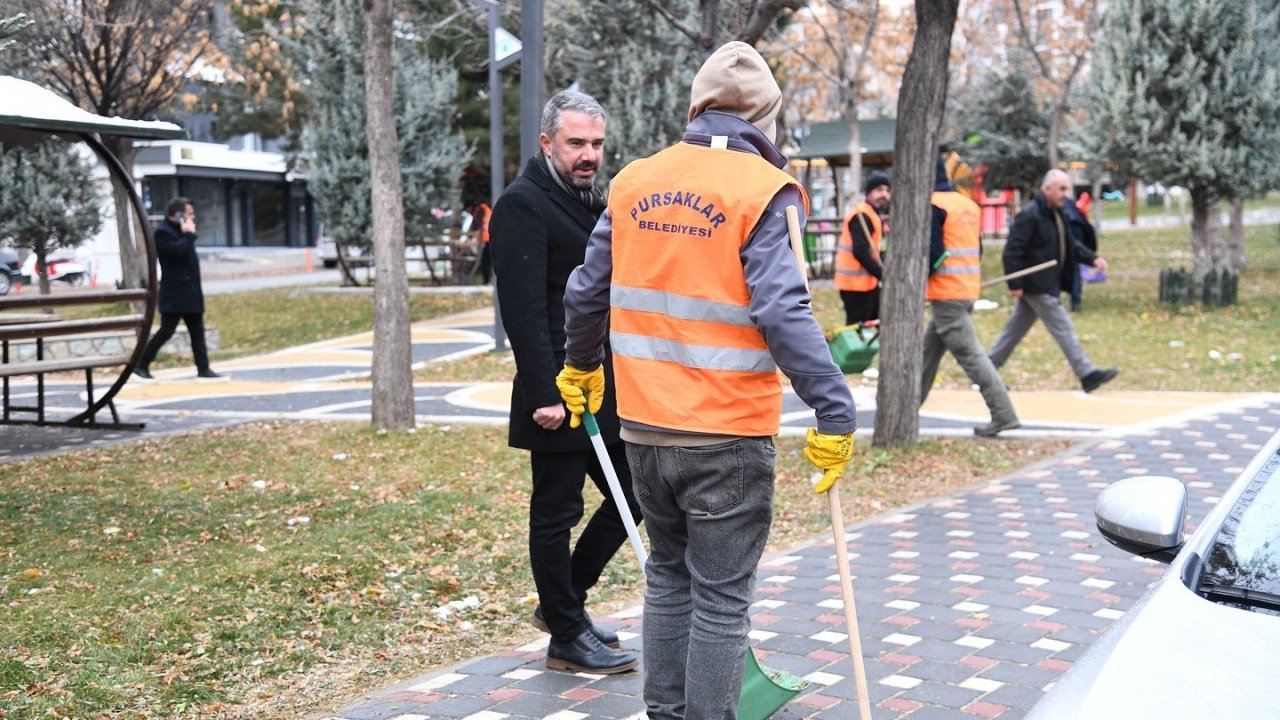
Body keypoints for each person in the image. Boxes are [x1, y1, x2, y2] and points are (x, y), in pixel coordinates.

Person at [555, 42, 857, 719]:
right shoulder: (763, 190)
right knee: (720, 596)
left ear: (695, 108)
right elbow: (783, 309)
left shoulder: (634, 180)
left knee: (667, 577)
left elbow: (585, 293)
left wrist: (580, 365)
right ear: (767, 118)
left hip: (646, 429)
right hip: (725, 433)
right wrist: (833, 410)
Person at [488, 90, 642, 675]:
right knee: (556, 509)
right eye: (577, 143)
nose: (589, 154)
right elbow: (523, 311)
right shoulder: (524, 204)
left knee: (634, 492)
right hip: (556, 386)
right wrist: (544, 395)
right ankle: (565, 633)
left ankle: (563, 606)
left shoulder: (584, 199)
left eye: (597, 144)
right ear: (547, 142)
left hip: (596, 383)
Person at [988, 170, 1118, 393]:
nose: (1066, 194)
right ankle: (1086, 374)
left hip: (1048, 282)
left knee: (1013, 332)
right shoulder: (1030, 215)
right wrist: (1016, 284)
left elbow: (1071, 244)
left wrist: (1092, 258)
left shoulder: (1058, 214)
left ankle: (985, 372)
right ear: (1047, 189)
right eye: (1062, 189)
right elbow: (1012, 251)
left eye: (1067, 189)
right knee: (1063, 328)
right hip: (1036, 284)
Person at [920, 157, 1019, 437]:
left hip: (946, 293)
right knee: (927, 355)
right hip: (965, 289)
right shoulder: (967, 205)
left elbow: (934, 253)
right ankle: (908, 407)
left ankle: (1004, 414)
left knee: (972, 357)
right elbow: (978, 249)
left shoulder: (933, 204)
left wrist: (916, 281)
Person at [133, 197, 222, 381]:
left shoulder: (182, 232)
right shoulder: (163, 232)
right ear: (178, 214)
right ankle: (141, 365)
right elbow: (175, 252)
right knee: (166, 330)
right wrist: (188, 235)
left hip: (191, 293)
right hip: (175, 293)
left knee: (197, 331)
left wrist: (187, 234)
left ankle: (203, 368)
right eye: (189, 214)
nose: (192, 217)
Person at [834, 171, 890, 325]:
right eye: (879, 190)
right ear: (869, 192)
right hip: (854, 285)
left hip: (867, 284)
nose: (884, 194)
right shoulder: (862, 215)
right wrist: (883, 274)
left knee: (871, 326)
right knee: (856, 332)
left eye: (887, 190)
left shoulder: (873, 214)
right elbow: (860, 251)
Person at [1062, 196, 1098, 312]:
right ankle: (1075, 301)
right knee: (1075, 267)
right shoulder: (1070, 204)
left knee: (1073, 267)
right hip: (1078, 231)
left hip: (1071, 233)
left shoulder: (1057, 205)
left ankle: (1074, 301)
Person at [466, 198, 493, 284]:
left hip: (486, 238)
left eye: (467, 209)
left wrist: (474, 239)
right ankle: (486, 280)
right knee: (485, 261)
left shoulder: (480, 209)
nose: (467, 212)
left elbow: (478, 226)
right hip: (488, 238)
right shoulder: (483, 209)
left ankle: (483, 280)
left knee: (483, 261)